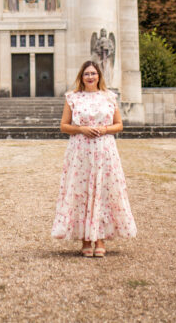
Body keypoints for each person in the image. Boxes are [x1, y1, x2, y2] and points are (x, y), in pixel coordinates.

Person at [51, 60, 136, 257]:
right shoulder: (73, 97)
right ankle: (85, 240)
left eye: (93, 73)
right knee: (82, 192)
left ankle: (100, 239)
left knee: (103, 191)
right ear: (81, 77)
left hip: (105, 151)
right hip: (80, 152)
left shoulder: (109, 97)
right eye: (86, 74)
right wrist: (81, 129)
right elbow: (64, 126)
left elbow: (119, 125)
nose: (90, 77)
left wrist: (104, 129)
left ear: (99, 76)